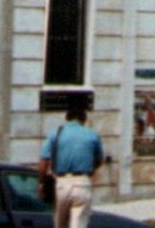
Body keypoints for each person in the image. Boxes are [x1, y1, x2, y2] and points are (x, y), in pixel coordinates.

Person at [38, 98, 104, 228]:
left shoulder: (55, 134)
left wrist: (41, 182)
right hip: (82, 182)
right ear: (84, 119)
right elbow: (99, 159)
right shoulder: (92, 135)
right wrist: (90, 168)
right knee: (78, 223)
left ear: (67, 118)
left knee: (60, 224)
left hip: (61, 183)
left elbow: (43, 161)